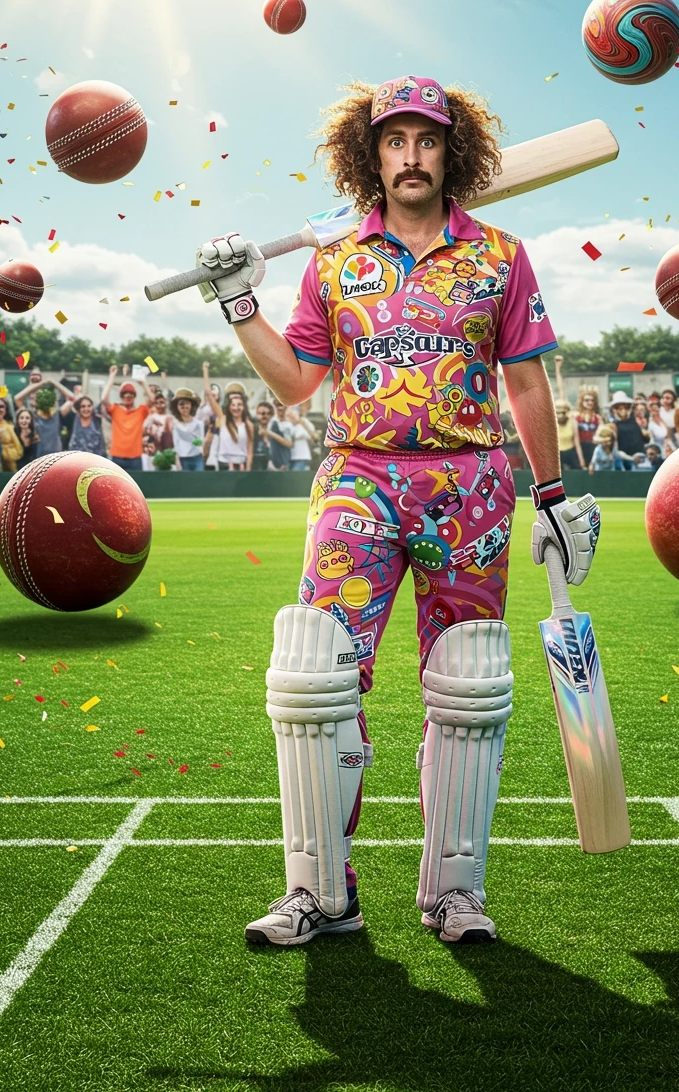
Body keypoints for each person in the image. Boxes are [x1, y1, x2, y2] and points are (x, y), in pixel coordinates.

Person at [194, 73, 598, 946]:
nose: (410, 157)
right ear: (370, 155)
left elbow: (525, 378)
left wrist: (554, 494)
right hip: (358, 482)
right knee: (314, 672)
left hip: (471, 488)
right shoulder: (336, 261)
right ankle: (320, 894)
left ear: (451, 151)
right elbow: (297, 381)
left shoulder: (499, 253)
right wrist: (239, 305)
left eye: (426, 140)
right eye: (394, 141)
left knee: (468, 683)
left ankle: (455, 894)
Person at [101, 365, 150, 471]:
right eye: (124, 394)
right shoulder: (115, 409)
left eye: (131, 394)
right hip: (117, 457)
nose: (127, 396)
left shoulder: (141, 411)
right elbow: (104, 399)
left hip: (135, 458)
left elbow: (151, 400)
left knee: (136, 487)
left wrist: (143, 382)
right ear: (121, 397)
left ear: (134, 397)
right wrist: (112, 376)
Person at [203, 369, 253, 471]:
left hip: (241, 465)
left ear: (244, 406)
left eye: (239, 405)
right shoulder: (223, 419)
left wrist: (248, 470)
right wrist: (205, 370)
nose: (236, 408)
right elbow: (208, 394)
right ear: (228, 406)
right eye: (233, 405)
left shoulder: (248, 424)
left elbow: (250, 450)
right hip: (223, 464)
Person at [15, 378, 78, 457]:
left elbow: (72, 398)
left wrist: (54, 383)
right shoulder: (33, 416)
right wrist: (41, 384)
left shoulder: (58, 415)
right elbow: (17, 398)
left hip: (55, 459)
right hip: (37, 459)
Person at [170, 388, 206, 470]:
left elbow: (202, 441)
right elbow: (175, 443)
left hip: (197, 457)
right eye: (181, 404)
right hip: (183, 458)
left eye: (187, 403)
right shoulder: (174, 424)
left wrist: (199, 443)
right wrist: (177, 461)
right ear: (177, 407)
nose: (184, 407)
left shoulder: (199, 423)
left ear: (191, 405)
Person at [608, 391, 646, 461]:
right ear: (615, 409)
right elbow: (615, 448)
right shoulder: (613, 425)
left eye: (625, 407)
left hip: (641, 458)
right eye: (620, 408)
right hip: (625, 461)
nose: (623, 410)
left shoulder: (635, 419)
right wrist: (631, 459)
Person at [554, 399, 585, 470]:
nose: (560, 415)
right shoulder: (551, 423)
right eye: (558, 413)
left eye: (563, 412)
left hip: (571, 451)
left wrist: (581, 460)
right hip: (557, 454)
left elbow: (577, 443)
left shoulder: (573, 422)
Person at [574, 387, 601, 461]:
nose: (590, 402)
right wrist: (581, 459)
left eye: (592, 400)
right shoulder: (576, 418)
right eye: (587, 400)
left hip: (594, 448)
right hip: (580, 448)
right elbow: (576, 439)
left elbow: (601, 437)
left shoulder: (597, 418)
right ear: (581, 402)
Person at [287, 404, 317, 471]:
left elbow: (315, 438)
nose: (291, 416)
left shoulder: (304, 422)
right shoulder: (287, 424)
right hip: (288, 457)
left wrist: (302, 423)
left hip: (301, 457)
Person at [144, 391, 174, 457]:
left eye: (161, 402)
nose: (159, 405)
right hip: (153, 452)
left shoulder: (170, 418)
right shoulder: (151, 417)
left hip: (167, 452)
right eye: (156, 403)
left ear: (166, 403)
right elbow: (143, 433)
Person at [267, 398, 294, 471]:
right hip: (271, 460)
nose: (280, 408)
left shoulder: (288, 425)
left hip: (283, 461)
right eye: (278, 405)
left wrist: (271, 433)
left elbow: (289, 444)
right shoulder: (271, 422)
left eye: (282, 406)